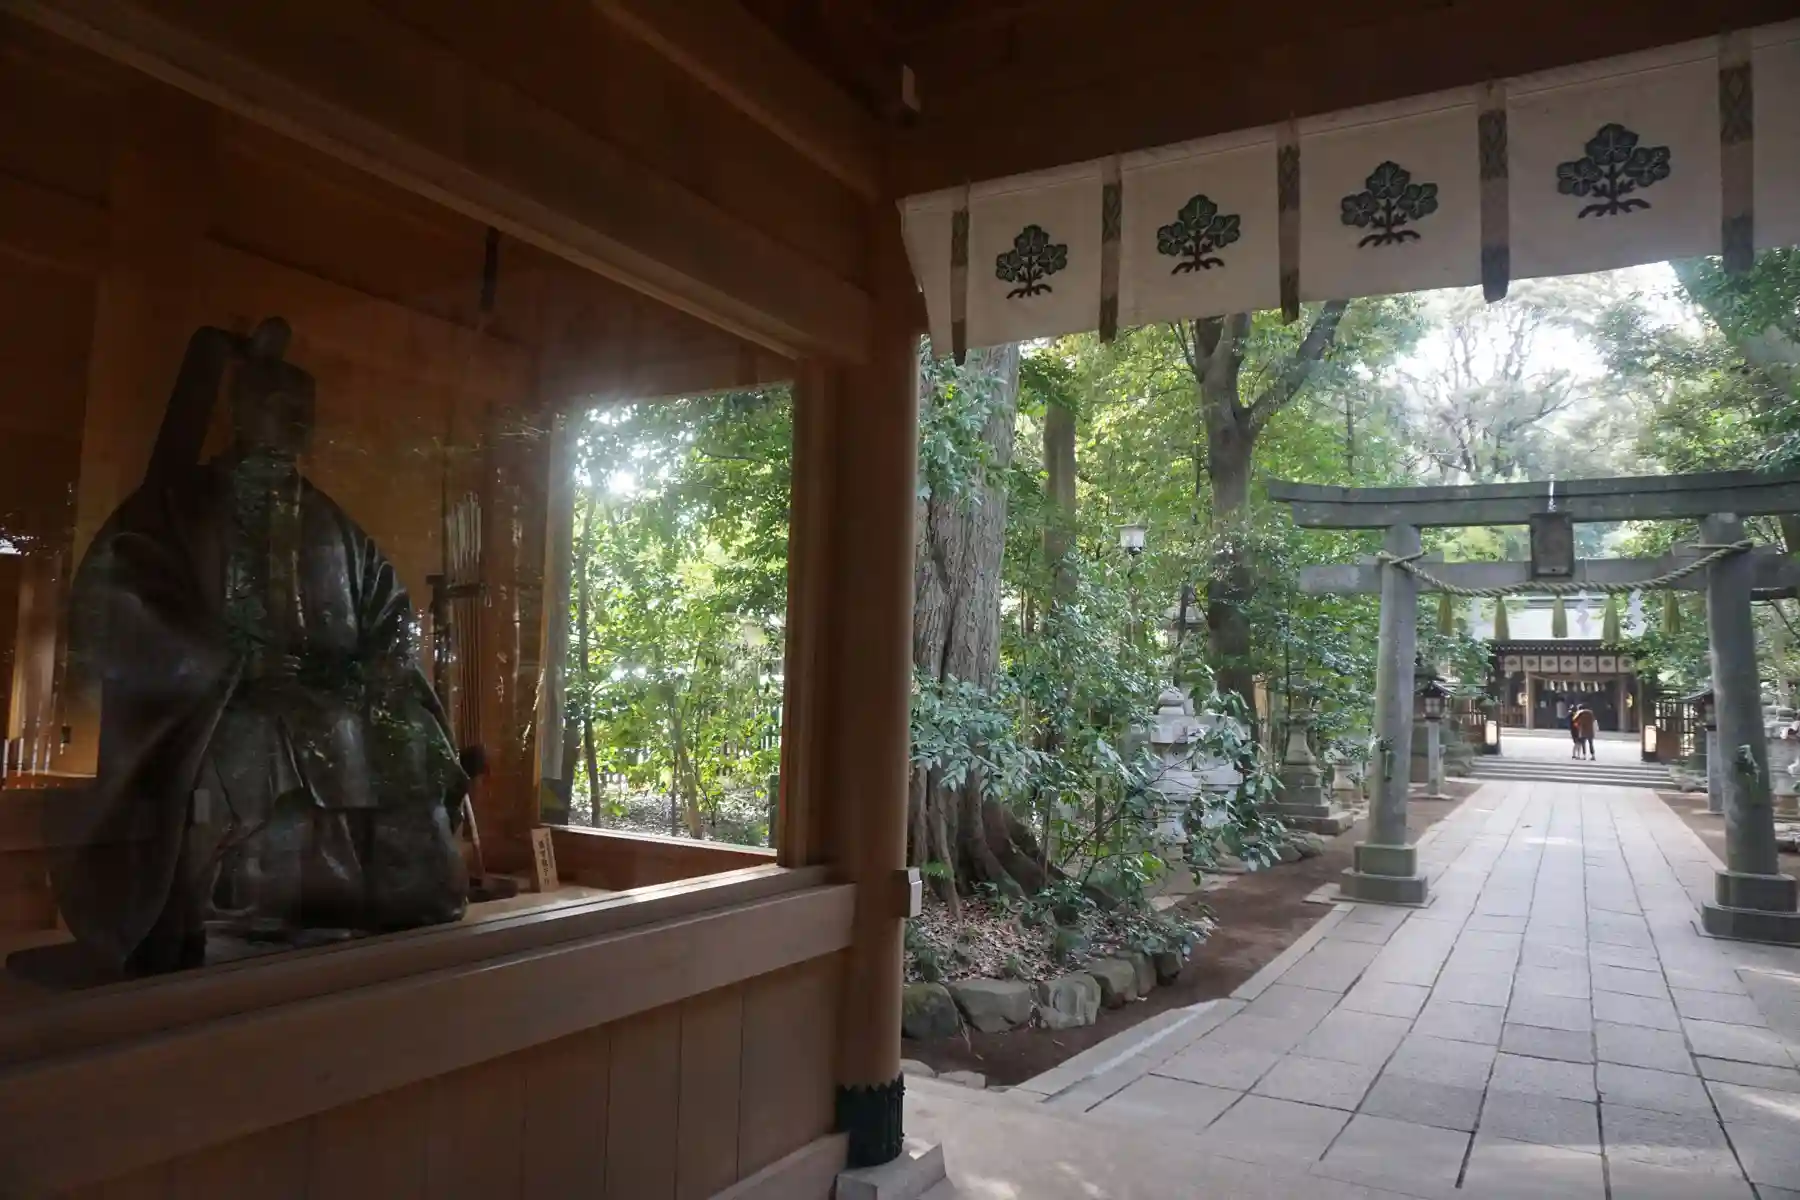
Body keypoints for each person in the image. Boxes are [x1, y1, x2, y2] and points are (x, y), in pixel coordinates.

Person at [49, 319, 470, 975]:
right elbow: (119, 593)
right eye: (282, 409)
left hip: (332, 693)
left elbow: (390, 612)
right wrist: (227, 660)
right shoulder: (183, 505)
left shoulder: (334, 525)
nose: (298, 425)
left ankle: (392, 896)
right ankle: (255, 908)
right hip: (221, 699)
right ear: (243, 413)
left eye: (306, 414)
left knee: (402, 732)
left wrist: (365, 675)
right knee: (263, 735)